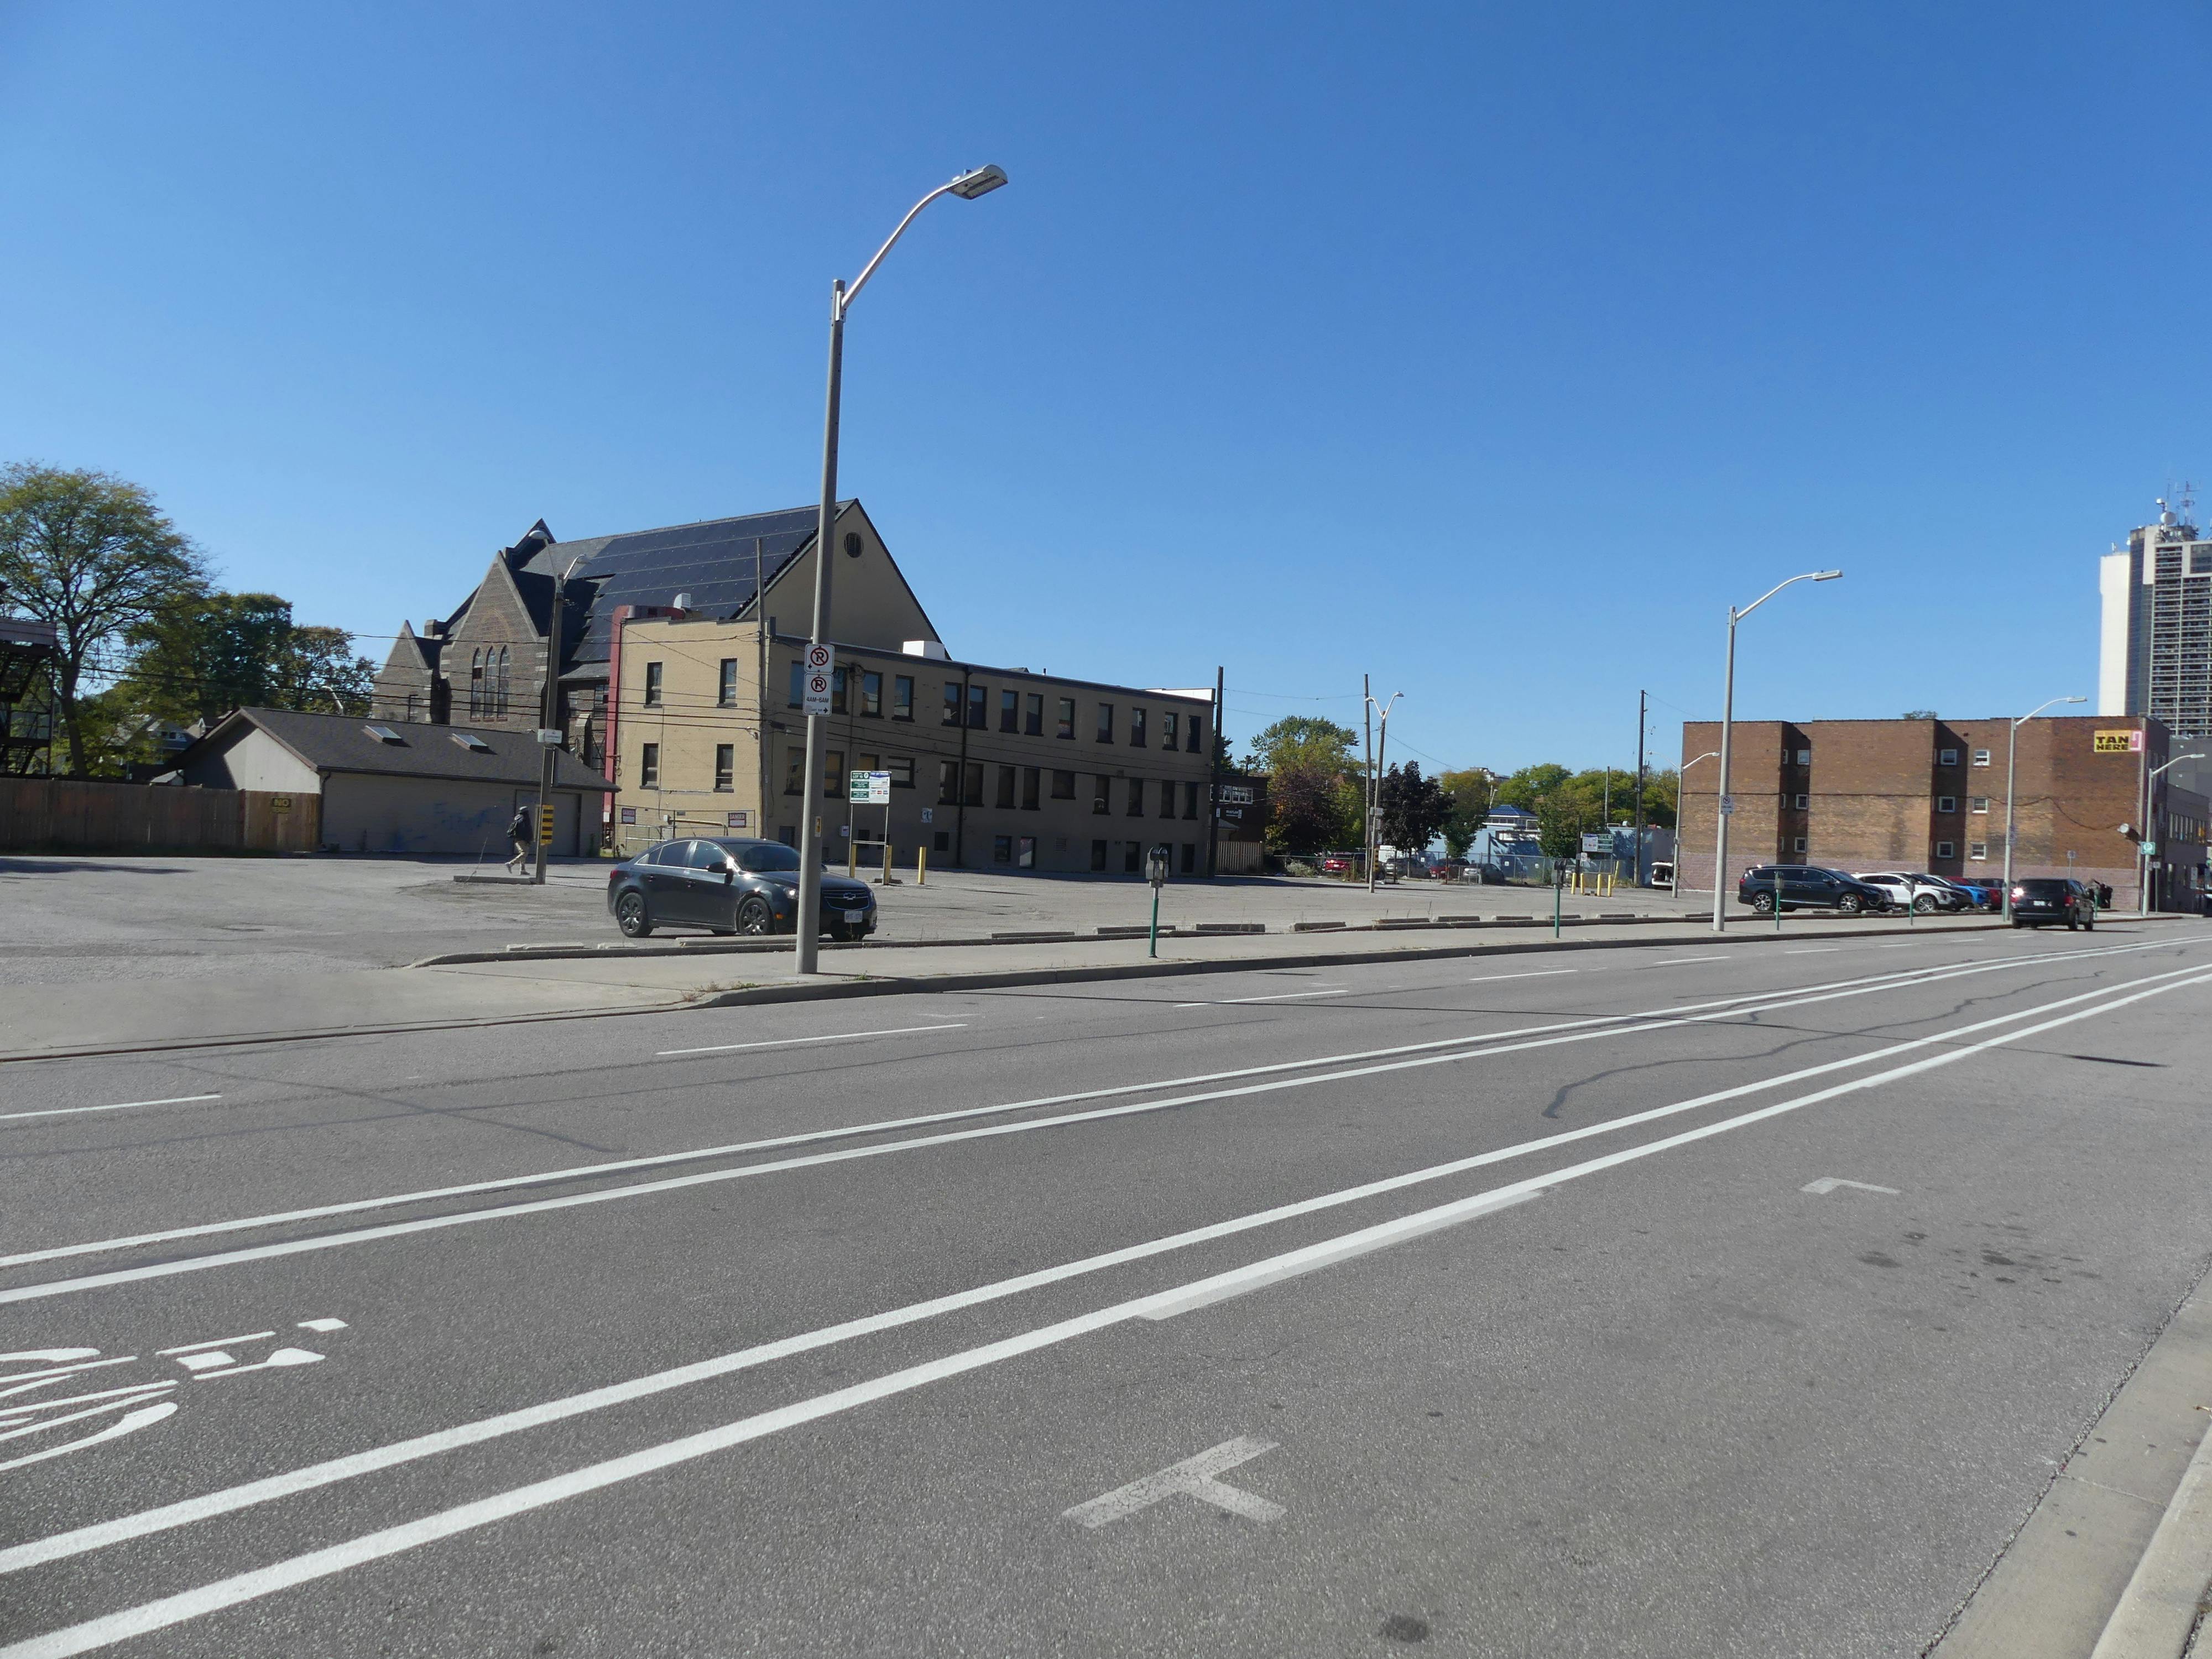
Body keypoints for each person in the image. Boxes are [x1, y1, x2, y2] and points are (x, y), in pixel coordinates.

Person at [504, 805, 533, 873]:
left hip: (518, 839)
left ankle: (522, 870)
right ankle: (511, 864)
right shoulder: (525, 819)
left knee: (522, 854)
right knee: (524, 853)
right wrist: (528, 839)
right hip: (523, 839)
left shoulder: (518, 818)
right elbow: (526, 830)